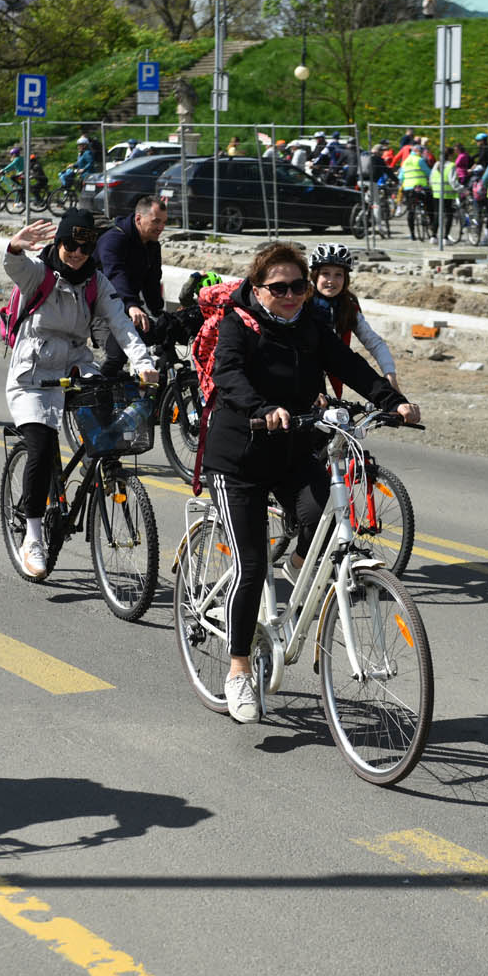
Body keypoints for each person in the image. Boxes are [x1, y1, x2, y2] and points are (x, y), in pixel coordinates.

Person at [201, 242, 417, 723]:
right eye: (279, 288)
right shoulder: (240, 324)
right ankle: (238, 670)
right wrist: (262, 409)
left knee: (320, 517)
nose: (292, 295)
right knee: (252, 566)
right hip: (239, 458)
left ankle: (301, 567)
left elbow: (350, 365)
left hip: (294, 450)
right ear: (258, 289)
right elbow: (228, 375)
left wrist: (392, 399)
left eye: (298, 286)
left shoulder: (310, 326)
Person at [2, 211, 158, 580]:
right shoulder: (39, 274)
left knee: (106, 427)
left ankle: (101, 474)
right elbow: (15, 267)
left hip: (75, 365)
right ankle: (34, 535)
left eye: (84, 247)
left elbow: (120, 323)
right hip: (33, 373)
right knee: (40, 446)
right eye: (69, 245)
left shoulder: (96, 282)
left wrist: (143, 361)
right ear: (58, 243)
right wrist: (13, 247)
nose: (76, 253)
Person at [307, 243, 397, 394]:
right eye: (325, 273)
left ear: (346, 278)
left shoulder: (348, 307)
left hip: (333, 369)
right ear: (315, 275)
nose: (331, 280)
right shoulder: (300, 303)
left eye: (338, 274)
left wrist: (390, 375)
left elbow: (374, 342)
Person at [95, 195, 167, 377]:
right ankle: (95, 398)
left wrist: (160, 313)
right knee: (117, 354)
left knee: (162, 336)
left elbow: (152, 282)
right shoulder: (113, 240)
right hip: (98, 308)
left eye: (164, 222)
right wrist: (131, 304)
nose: (161, 228)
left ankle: (149, 398)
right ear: (138, 219)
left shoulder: (152, 245)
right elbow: (115, 275)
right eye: (156, 221)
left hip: (128, 306)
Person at [399, 145, 432, 240]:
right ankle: (431, 227)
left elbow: (401, 177)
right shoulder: (420, 160)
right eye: (421, 152)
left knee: (411, 211)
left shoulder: (405, 161)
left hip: (408, 188)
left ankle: (412, 234)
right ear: (418, 152)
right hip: (421, 187)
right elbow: (429, 172)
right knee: (430, 205)